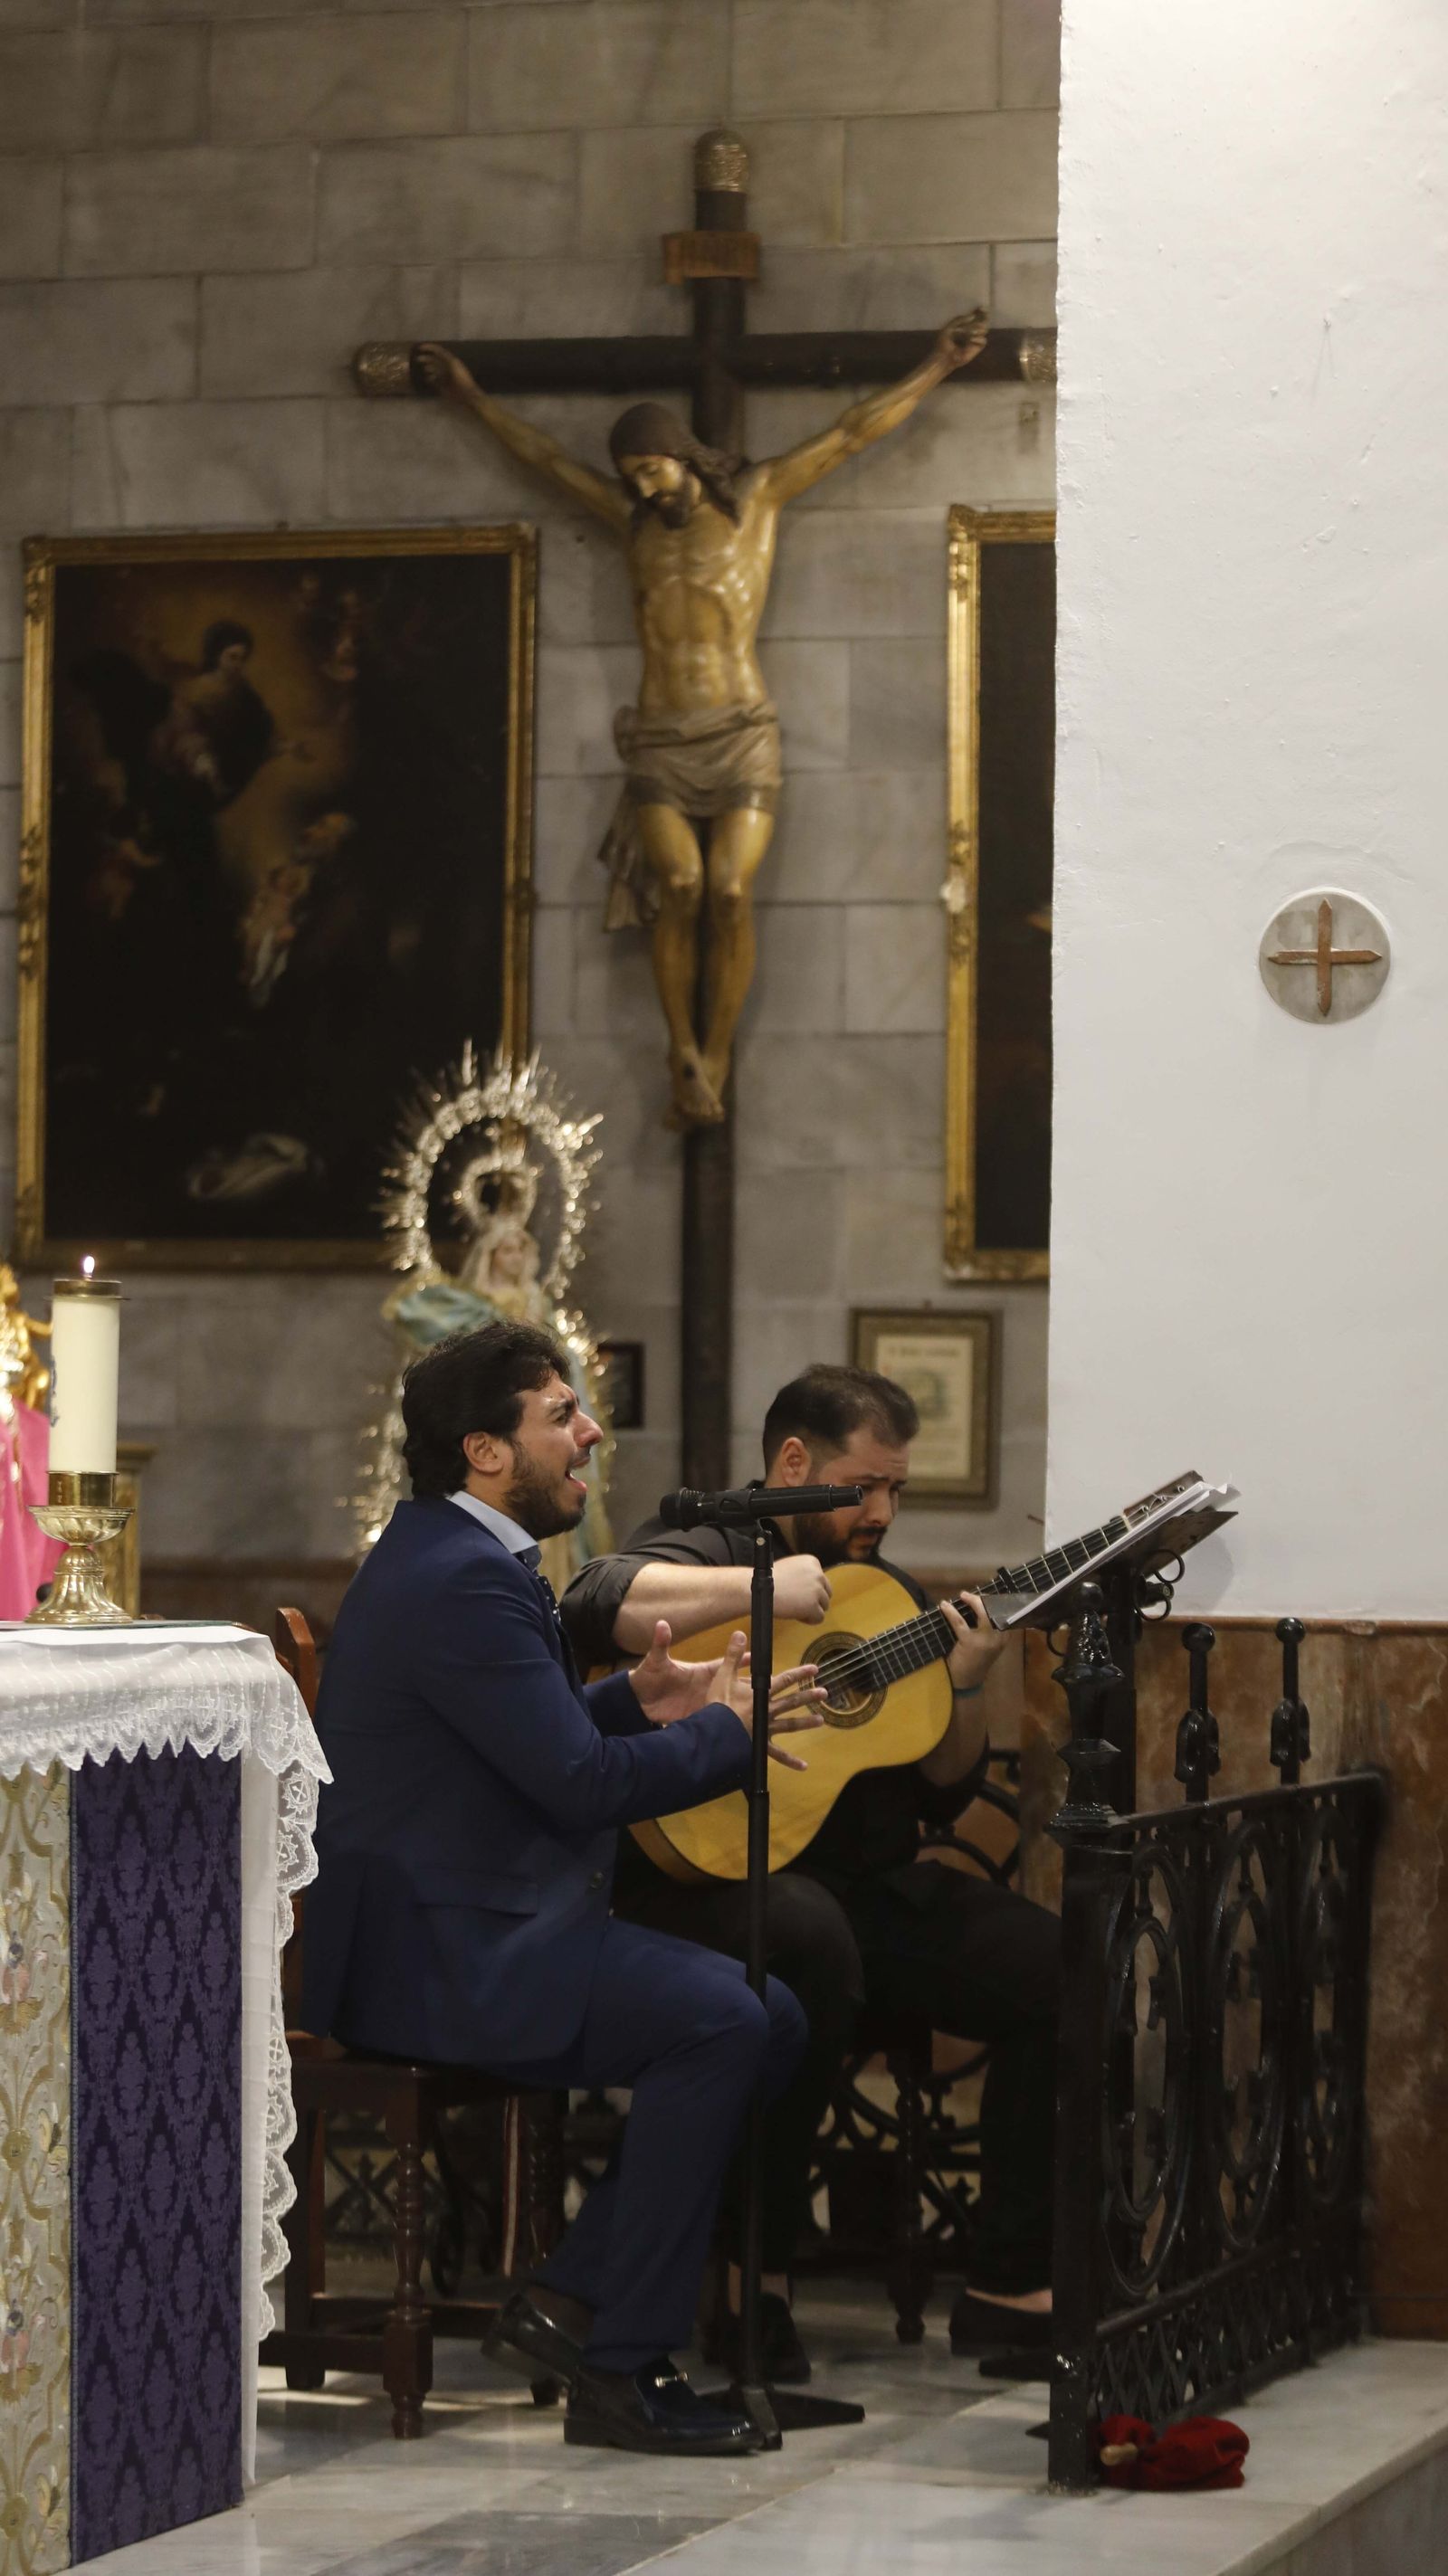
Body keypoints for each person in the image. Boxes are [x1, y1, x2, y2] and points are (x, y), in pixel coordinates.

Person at [303, 1319, 825, 2456]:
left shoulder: (454, 1553)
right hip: (442, 1954)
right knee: (728, 2019)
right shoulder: (465, 1577)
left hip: (468, 1922)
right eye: (562, 1415)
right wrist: (728, 1733)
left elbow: (509, 1740)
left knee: (768, 2014)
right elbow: (579, 1786)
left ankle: (571, 2299)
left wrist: (639, 1700)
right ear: (486, 1451)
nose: (590, 1432)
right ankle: (620, 2366)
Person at [560, 1364, 1062, 2382]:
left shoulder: (887, 1599)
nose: (882, 1512)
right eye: (863, 1486)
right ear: (793, 1462)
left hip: (868, 1889)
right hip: (712, 1884)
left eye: (896, 1490)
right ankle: (756, 2275)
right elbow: (594, 1598)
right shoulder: (715, 1542)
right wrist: (764, 1591)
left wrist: (965, 1686)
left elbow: (943, 1794)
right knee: (802, 1944)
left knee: (1058, 1962)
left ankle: (1013, 2284)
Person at [416, 311, 988, 1128]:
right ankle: (678, 1047)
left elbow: (851, 432)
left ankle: (714, 1054)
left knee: (728, 889)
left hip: (742, 734)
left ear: (679, 455)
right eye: (633, 476)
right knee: (680, 885)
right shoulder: (631, 524)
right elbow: (543, 458)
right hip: (660, 740)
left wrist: (936, 363)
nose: (644, 488)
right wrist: (471, 398)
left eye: (651, 470)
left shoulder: (756, 501)